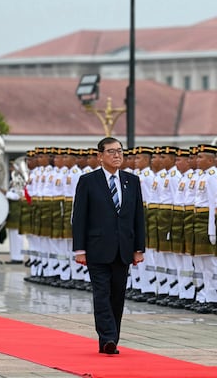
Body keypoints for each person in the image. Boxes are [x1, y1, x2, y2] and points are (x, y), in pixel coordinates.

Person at [72, 136, 145, 355]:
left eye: (120, 151)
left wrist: (138, 248)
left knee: (117, 295)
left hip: (123, 249)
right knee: (101, 294)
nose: (117, 155)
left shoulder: (131, 181)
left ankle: (112, 336)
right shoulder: (88, 181)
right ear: (100, 156)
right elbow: (80, 217)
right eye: (111, 151)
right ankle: (107, 338)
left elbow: (137, 217)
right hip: (97, 249)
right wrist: (80, 250)